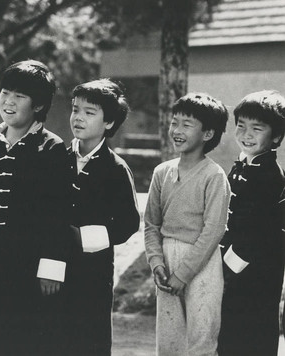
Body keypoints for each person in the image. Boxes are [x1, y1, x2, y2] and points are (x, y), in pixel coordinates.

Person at [0, 60, 70, 355]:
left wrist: (51, 267)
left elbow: (58, 214)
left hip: (27, 265)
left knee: (20, 341)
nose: (9, 101)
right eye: (5, 92)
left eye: (20, 96)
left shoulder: (52, 149)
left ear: (38, 105)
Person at [144, 92, 231, 356]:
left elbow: (214, 229)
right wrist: (156, 262)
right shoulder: (162, 172)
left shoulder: (214, 176)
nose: (177, 130)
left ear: (207, 134)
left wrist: (183, 274)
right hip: (167, 261)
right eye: (174, 122)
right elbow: (150, 224)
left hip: (202, 262)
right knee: (170, 340)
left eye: (187, 124)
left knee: (202, 337)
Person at [64, 79, 140, 355]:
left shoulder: (116, 169)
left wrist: (81, 236)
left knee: (88, 338)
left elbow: (128, 223)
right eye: (75, 109)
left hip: (91, 271)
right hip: (51, 264)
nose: (78, 118)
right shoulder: (55, 158)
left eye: (89, 112)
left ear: (109, 123)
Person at [218, 90, 285, 356]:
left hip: (255, 273)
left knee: (252, 337)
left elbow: (264, 231)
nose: (246, 134)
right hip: (233, 269)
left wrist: (227, 267)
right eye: (241, 126)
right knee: (230, 336)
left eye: (256, 128)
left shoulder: (272, 176)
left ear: (277, 137)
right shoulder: (241, 167)